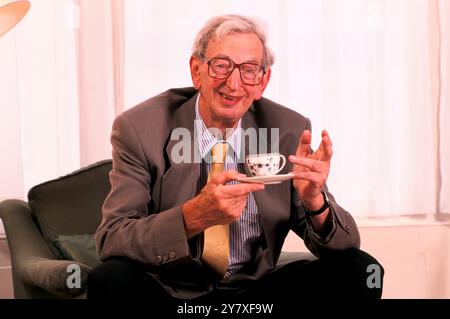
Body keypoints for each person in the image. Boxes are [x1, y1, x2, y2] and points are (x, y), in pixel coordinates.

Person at [88, 14, 384, 305]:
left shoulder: (287, 128)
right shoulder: (140, 128)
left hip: (256, 292)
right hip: (171, 290)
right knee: (111, 279)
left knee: (360, 270)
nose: (234, 83)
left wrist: (314, 202)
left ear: (263, 81)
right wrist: (195, 215)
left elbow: (344, 246)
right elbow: (113, 238)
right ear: (196, 70)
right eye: (221, 66)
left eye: (249, 70)